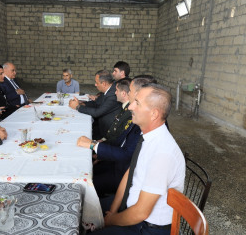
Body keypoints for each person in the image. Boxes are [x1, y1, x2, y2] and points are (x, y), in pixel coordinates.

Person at [92, 83, 185, 235]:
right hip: (131, 209)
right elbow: (130, 174)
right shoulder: (148, 137)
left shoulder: (162, 153)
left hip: (146, 228)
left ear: (154, 114)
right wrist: (113, 210)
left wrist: (110, 220)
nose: (130, 107)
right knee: (85, 209)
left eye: (137, 103)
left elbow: (140, 213)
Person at [69, 70, 121, 140]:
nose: (95, 85)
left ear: (104, 84)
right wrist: (81, 103)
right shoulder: (109, 88)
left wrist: (78, 107)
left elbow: (97, 112)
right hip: (101, 123)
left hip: (106, 131)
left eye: (97, 83)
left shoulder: (113, 94)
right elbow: (96, 103)